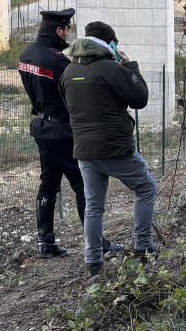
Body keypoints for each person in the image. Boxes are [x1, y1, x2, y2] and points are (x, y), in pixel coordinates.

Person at [18, 9, 122, 259]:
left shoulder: (26, 54)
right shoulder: (58, 61)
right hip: (63, 130)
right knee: (82, 185)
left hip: (42, 127)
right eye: (66, 30)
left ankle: (46, 242)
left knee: (48, 184)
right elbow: (74, 91)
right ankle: (96, 243)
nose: (68, 34)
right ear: (58, 30)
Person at [59, 21, 157, 277]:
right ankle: (143, 247)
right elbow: (140, 99)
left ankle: (93, 261)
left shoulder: (68, 72)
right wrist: (130, 66)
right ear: (111, 45)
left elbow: (69, 106)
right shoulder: (113, 69)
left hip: (83, 149)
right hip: (115, 147)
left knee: (94, 206)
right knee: (146, 189)